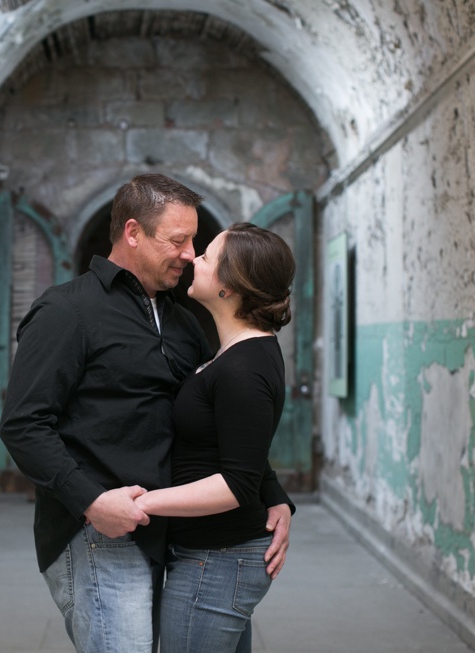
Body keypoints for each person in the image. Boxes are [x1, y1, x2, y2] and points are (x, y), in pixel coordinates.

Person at [0, 174, 293, 653]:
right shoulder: (66, 312)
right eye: (177, 240)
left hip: (165, 533)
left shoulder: (182, 323)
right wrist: (93, 502)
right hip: (96, 533)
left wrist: (273, 492)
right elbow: (22, 425)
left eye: (194, 241)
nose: (188, 253)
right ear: (133, 233)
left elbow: (221, 423)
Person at [133, 222, 297, 653]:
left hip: (218, 559)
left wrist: (140, 503)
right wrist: (277, 492)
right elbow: (239, 445)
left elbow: (235, 483)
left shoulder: (244, 367)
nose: (192, 258)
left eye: (206, 256)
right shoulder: (236, 354)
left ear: (229, 286)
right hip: (214, 555)